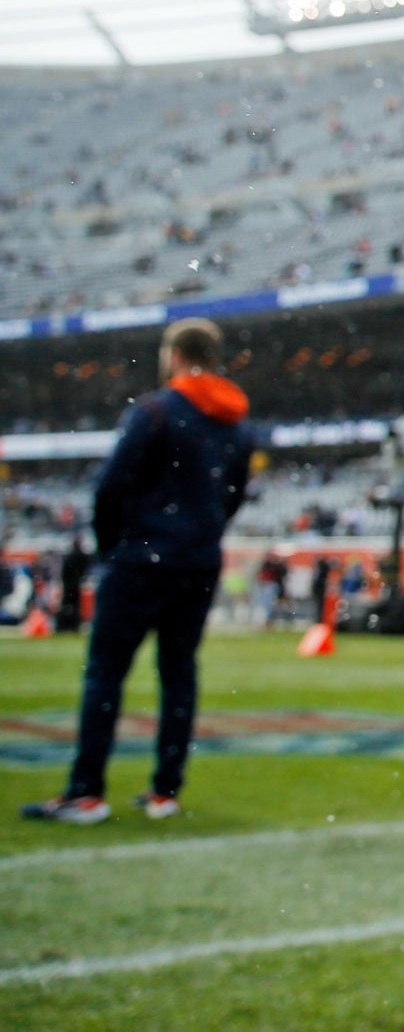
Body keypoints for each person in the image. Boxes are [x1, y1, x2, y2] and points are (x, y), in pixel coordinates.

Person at [22, 318, 251, 825]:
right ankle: (166, 791)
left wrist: (114, 547)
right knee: (179, 674)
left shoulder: (155, 412)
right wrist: (198, 537)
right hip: (197, 563)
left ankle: (87, 792)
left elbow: (109, 488)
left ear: (173, 356)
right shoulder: (236, 425)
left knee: (106, 673)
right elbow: (230, 498)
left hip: (141, 560)